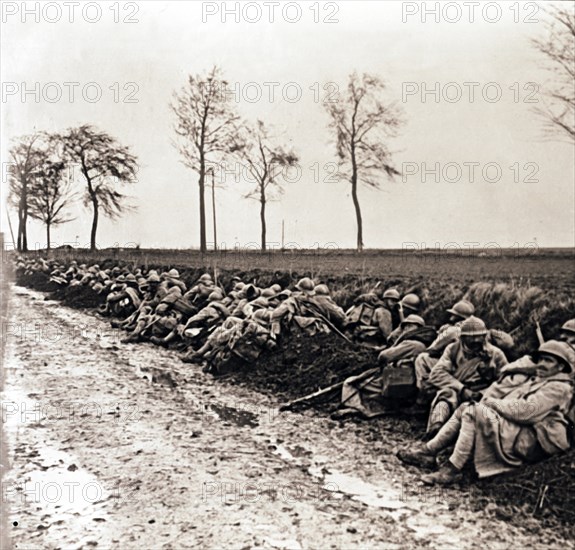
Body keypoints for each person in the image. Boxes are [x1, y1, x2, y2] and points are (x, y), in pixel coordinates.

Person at [397, 340, 575, 486]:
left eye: (548, 361)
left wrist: (491, 403)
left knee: (474, 412)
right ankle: (428, 452)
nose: (542, 364)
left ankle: (452, 470)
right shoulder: (540, 380)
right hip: (519, 429)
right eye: (541, 359)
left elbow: (525, 412)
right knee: (465, 408)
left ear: (560, 366)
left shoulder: (559, 387)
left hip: (532, 439)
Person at [334, 315, 434, 419]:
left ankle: (358, 408)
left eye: (408, 326)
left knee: (350, 383)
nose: (405, 329)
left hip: (398, 380)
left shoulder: (412, 344)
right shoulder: (425, 344)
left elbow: (384, 356)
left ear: (416, 327)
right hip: (408, 383)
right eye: (404, 327)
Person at [425, 316, 508, 439]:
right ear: (462, 337)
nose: (476, 340)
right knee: (446, 395)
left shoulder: (495, 353)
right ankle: (437, 426)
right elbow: (437, 373)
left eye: (479, 336)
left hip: (484, 392)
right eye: (471, 337)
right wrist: (462, 389)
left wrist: (483, 392)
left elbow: (505, 380)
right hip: (458, 389)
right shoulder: (452, 349)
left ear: (485, 335)